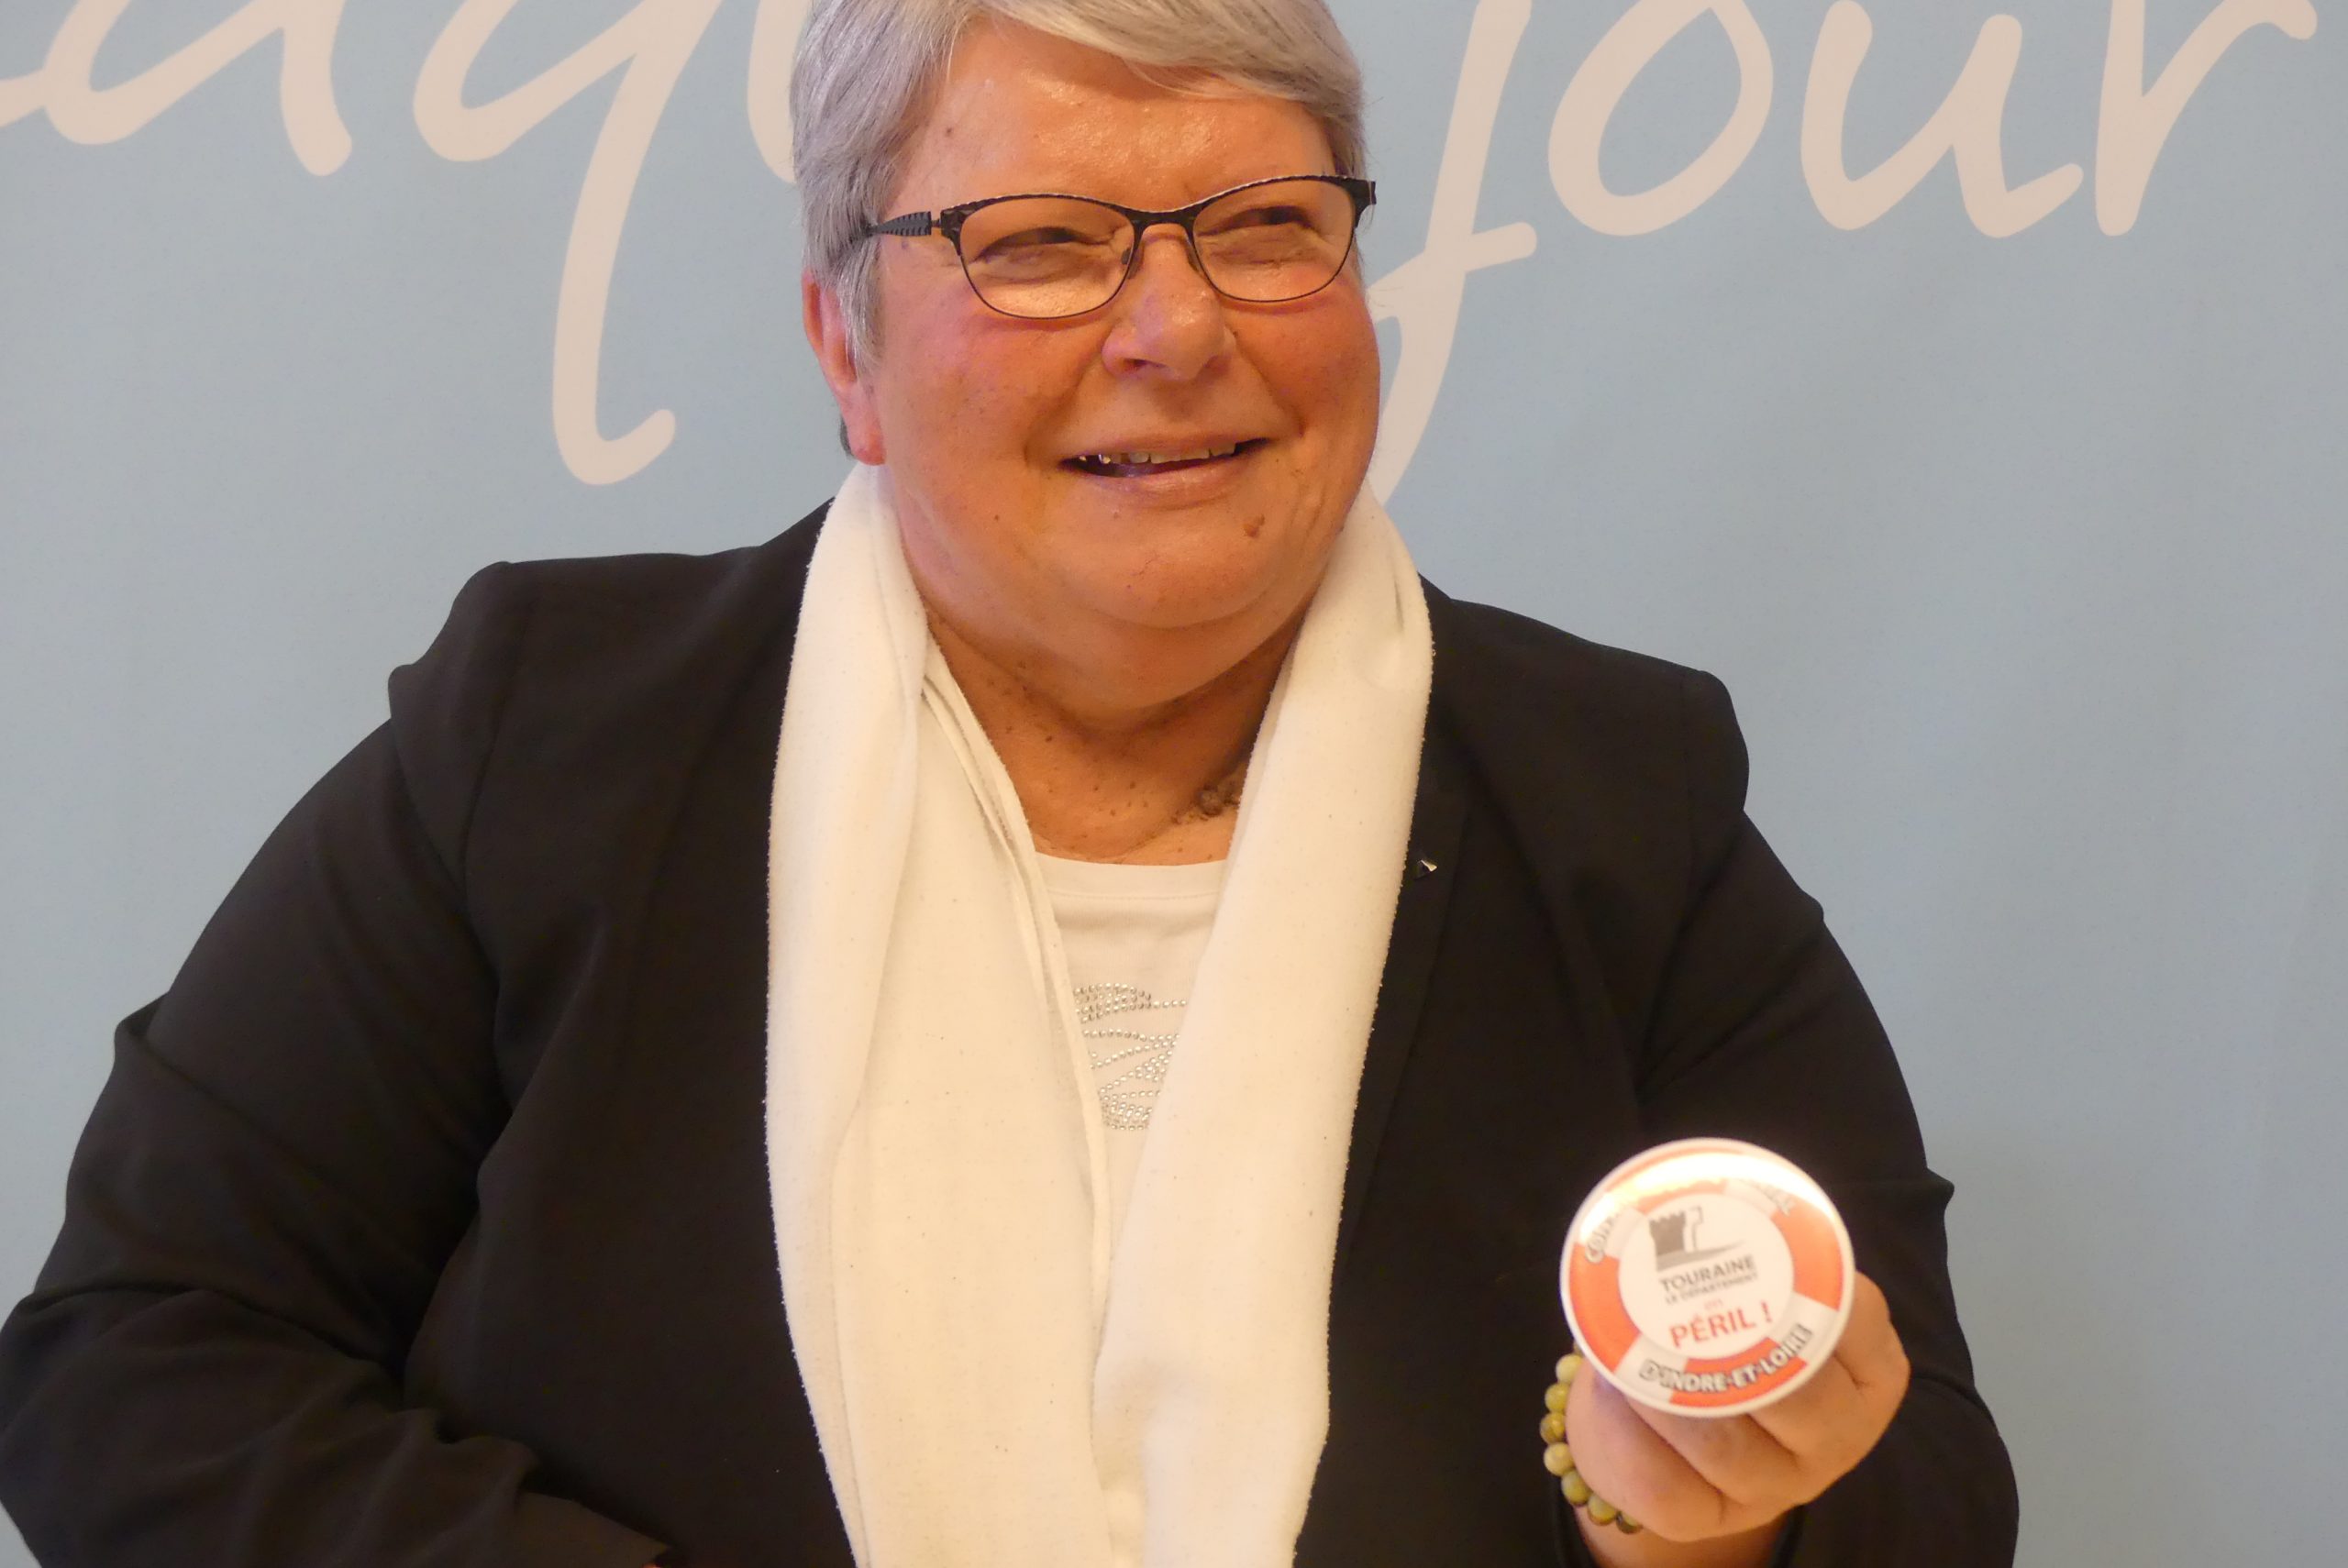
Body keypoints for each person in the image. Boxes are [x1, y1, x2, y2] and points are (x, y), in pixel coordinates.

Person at [0, 2, 2017, 1564]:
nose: (1176, 327)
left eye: (1267, 230)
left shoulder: (1617, 801)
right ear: (844, 348)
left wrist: (1713, 1513)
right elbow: (139, 1363)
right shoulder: (543, 742)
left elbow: (1925, 1486)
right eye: (1039, 245)